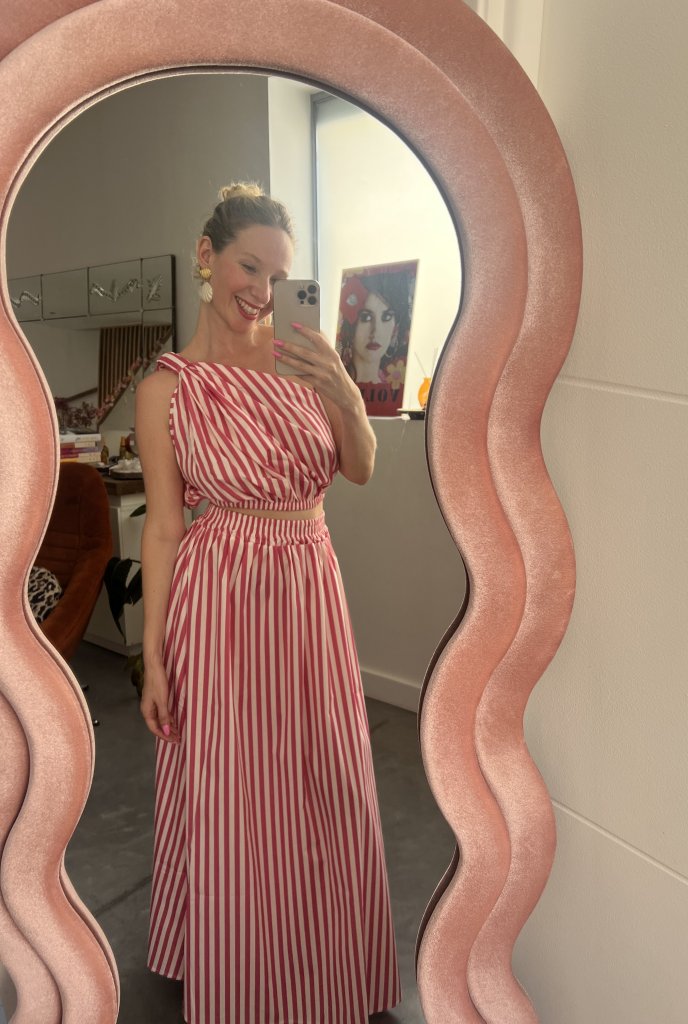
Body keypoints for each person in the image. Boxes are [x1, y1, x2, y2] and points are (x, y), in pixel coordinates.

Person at [135, 182, 402, 1024]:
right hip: (218, 593)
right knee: (230, 783)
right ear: (206, 256)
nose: (261, 289)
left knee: (325, 772)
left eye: (279, 276)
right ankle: (237, 967)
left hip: (307, 581)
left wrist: (345, 392)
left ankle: (327, 962)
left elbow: (360, 468)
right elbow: (166, 529)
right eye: (249, 267)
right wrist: (152, 656)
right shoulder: (167, 388)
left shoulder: (304, 358)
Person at [337, 268, 413, 416]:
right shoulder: (334, 388)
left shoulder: (393, 390)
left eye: (386, 317)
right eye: (366, 317)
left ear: (396, 327)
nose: (376, 331)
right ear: (350, 324)